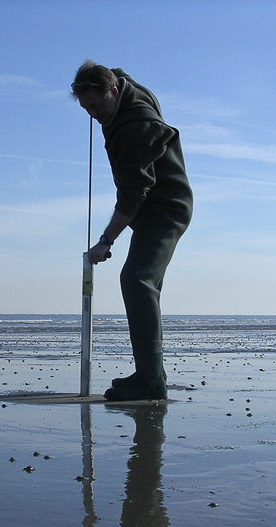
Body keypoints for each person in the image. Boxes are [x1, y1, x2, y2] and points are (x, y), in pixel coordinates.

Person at [71, 60, 193, 401]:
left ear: (113, 91)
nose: (94, 115)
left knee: (137, 279)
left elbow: (132, 196)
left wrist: (105, 241)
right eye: (86, 109)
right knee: (143, 282)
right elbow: (117, 71)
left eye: (97, 105)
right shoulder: (122, 86)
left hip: (166, 207)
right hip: (154, 206)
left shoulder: (133, 126)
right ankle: (149, 372)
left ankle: (152, 382)